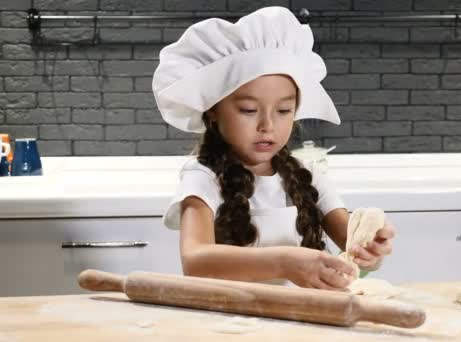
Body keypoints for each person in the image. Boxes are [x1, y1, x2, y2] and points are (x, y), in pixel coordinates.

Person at [153, 6, 394, 291]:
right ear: (214, 111)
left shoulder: (309, 176)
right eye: (248, 109)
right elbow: (195, 260)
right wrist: (283, 263)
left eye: (283, 110)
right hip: (233, 321)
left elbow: (353, 249)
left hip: (305, 320)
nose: (268, 125)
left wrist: (372, 249)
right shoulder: (203, 178)